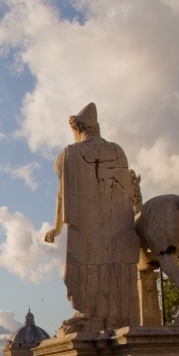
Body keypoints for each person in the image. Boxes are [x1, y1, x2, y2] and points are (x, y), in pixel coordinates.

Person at [43, 103, 140, 333]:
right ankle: (110, 316)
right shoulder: (118, 150)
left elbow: (62, 196)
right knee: (113, 270)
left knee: (76, 273)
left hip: (85, 229)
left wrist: (56, 229)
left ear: (77, 129)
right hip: (118, 228)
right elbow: (129, 191)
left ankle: (90, 315)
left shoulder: (69, 153)